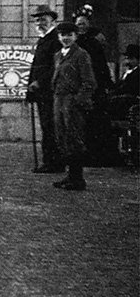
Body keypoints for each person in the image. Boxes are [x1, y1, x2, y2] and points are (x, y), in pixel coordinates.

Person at [51, 21, 97, 191]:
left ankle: (78, 179)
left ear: (75, 36)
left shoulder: (81, 55)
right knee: (62, 137)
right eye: (63, 35)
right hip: (59, 100)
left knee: (74, 138)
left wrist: (78, 101)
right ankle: (70, 176)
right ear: (58, 36)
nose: (66, 38)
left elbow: (89, 82)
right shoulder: (58, 55)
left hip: (72, 102)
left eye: (69, 35)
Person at [74, 11, 116, 165]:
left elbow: (101, 66)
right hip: (79, 87)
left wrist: (106, 84)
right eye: (78, 24)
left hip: (94, 87)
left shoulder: (94, 43)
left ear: (88, 26)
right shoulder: (73, 43)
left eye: (83, 24)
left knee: (94, 122)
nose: (81, 27)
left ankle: (96, 155)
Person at [26, 5, 63, 173]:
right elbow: (37, 66)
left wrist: (39, 82)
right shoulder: (43, 39)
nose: (40, 23)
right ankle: (49, 161)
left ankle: (54, 163)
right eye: (37, 20)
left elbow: (55, 67)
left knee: (51, 127)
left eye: (43, 19)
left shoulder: (55, 40)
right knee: (47, 127)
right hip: (42, 92)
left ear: (52, 21)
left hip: (51, 91)